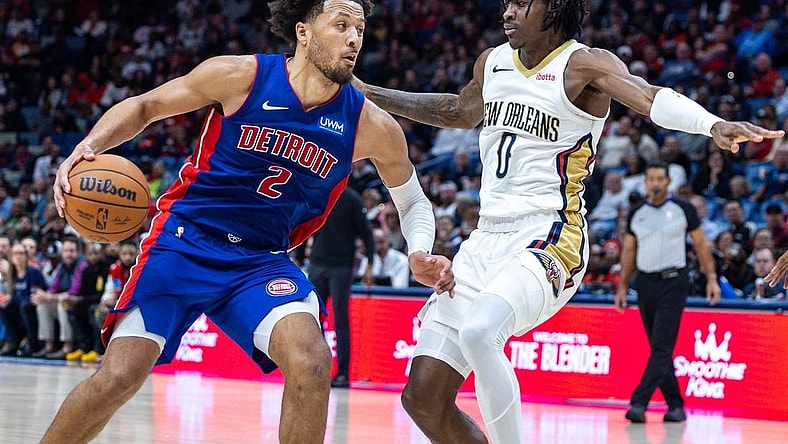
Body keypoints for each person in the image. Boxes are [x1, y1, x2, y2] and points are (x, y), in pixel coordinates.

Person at [351, 0, 783, 442]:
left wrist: (712, 125)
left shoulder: (584, 65)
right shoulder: (493, 61)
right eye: (506, 3)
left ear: (555, 6)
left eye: (522, 3)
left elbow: (650, 97)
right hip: (484, 240)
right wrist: (371, 92)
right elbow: (458, 111)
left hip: (550, 234)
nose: (508, 12)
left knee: (482, 331)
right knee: (422, 396)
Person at [40, 1, 455, 443]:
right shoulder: (241, 75)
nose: (354, 37)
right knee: (119, 375)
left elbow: (411, 199)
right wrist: (87, 147)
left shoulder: (369, 123)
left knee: (312, 361)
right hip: (184, 242)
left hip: (260, 261)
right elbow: (146, 107)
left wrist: (417, 250)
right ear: (303, 32)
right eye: (341, 25)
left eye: (360, 27)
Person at [615, 162, 721, 423]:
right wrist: (622, 285)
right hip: (645, 283)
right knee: (658, 348)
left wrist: (712, 278)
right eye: (651, 179)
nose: (655, 184)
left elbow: (701, 245)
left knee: (661, 347)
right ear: (645, 183)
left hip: (674, 282)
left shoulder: (683, 209)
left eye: (660, 179)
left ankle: (639, 402)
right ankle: (675, 406)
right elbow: (629, 251)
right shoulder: (637, 213)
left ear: (668, 182)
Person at [303, 186, 375, 388]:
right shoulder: (319, 193)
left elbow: (367, 234)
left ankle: (343, 373)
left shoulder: (351, 199)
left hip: (341, 266)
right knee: (314, 318)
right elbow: (306, 225)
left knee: (340, 318)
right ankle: (316, 368)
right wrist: (300, 259)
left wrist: (370, 264)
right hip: (317, 263)